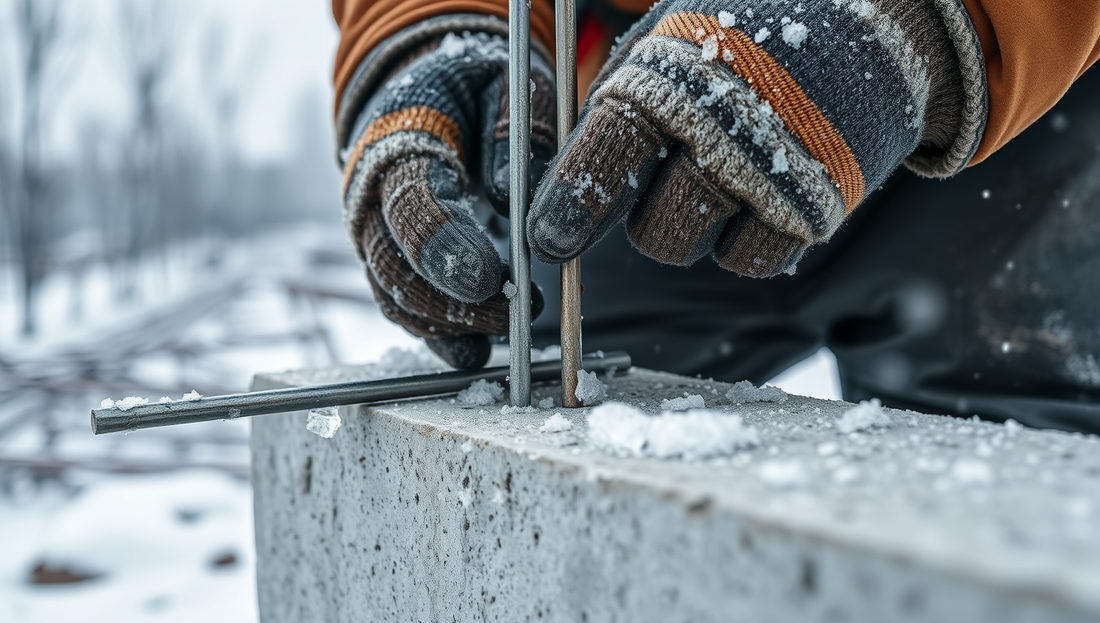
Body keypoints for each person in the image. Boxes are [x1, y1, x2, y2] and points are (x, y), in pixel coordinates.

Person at [330, 0, 1100, 432]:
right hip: (663, 128)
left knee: (1016, 477)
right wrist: (433, 25)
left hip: (1017, 96)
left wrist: (941, 18)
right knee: (541, 414)